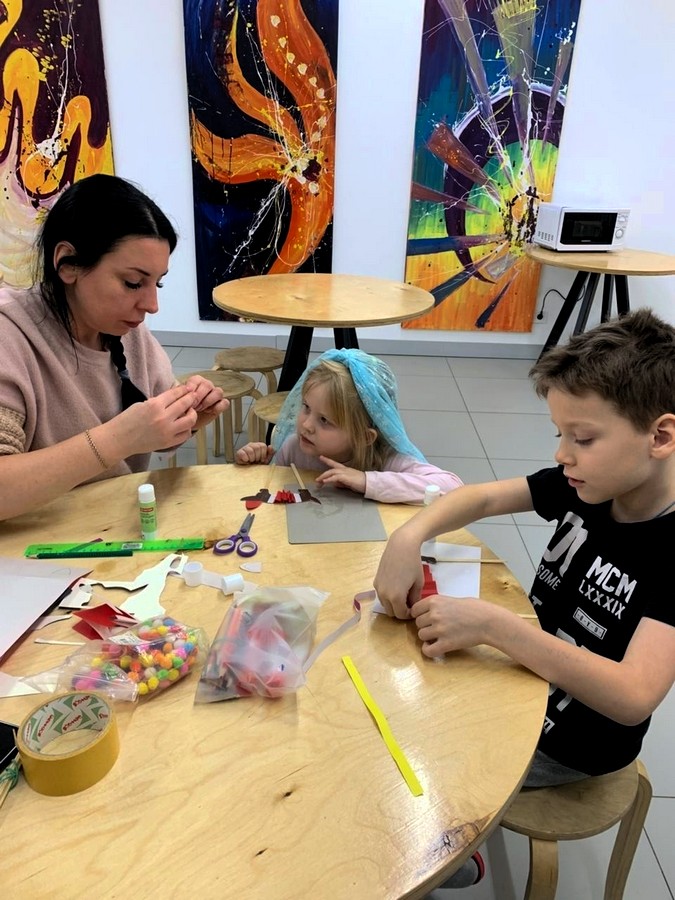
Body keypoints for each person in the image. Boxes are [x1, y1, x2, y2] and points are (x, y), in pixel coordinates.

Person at [374, 309, 675, 889]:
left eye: (582, 438)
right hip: (524, 678)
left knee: (399, 756)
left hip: (570, 743)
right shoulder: (590, 482)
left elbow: (634, 696)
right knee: (389, 692)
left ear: (660, 437)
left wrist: (495, 627)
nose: (563, 454)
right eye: (559, 434)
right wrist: (409, 536)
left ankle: (442, 847)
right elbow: (483, 498)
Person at [0, 174, 228, 521]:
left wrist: (188, 417)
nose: (152, 305)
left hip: (113, 529)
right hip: (33, 545)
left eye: (157, 284)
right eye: (133, 283)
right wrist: (118, 439)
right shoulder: (10, 336)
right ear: (68, 264)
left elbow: (149, 434)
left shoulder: (125, 332)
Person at [235, 349, 463, 503]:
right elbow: (273, 498)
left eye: (324, 420)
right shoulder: (293, 448)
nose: (306, 424)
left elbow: (454, 488)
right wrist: (257, 469)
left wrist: (366, 481)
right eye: (306, 407)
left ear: (364, 437)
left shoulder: (387, 460)